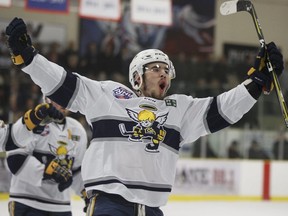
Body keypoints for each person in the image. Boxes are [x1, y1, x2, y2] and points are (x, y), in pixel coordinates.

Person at [4, 17, 284, 216]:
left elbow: (223, 108)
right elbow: (64, 83)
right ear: (137, 77)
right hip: (109, 205)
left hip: (152, 209)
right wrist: (29, 58)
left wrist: (257, 83)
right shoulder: (109, 95)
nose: (163, 72)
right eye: (155, 68)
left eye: (167, 69)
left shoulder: (180, 109)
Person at [3, 99, 88, 216]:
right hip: (27, 202)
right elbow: (14, 160)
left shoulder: (78, 130)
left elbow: (77, 170)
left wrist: (86, 193)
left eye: (67, 98)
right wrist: (46, 171)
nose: (64, 103)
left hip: (61, 206)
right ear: (47, 99)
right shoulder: (35, 121)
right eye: (59, 97)